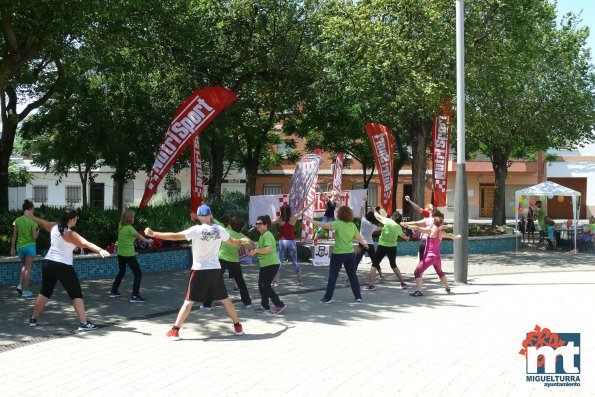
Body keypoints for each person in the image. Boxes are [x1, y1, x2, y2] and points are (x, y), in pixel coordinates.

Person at [144, 204, 246, 340]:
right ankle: (238, 327)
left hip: (199, 269)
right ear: (210, 215)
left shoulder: (196, 230)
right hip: (215, 269)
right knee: (225, 299)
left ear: (199, 217)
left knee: (189, 301)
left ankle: (175, 331)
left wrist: (153, 234)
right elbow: (233, 242)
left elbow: (175, 236)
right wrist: (242, 240)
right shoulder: (219, 229)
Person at [26, 209, 111, 330]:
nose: (77, 220)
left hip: (48, 263)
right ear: (71, 220)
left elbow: (42, 222)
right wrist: (100, 250)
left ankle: (33, 319)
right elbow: (85, 243)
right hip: (63, 266)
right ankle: (84, 323)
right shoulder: (71, 234)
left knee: (44, 292)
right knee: (76, 294)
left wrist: (31, 216)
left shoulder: (54, 226)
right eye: (76, 219)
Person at [304, 206, 368, 303]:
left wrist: (310, 220)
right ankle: (358, 297)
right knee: (353, 276)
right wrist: (365, 244)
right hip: (350, 254)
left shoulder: (338, 224)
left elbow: (323, 225)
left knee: (333, 276)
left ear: (340, 214)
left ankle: (328, 298)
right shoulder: (352, 225)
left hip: (338, 254)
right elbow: (359, 238)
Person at [203, 216, 255, 310]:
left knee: (214, 282)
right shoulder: (241, 237)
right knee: (241, 283)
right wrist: (255, 244)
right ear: (241, 227)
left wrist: (205, 208)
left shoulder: (225, 230)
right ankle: (247, 303)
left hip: (221, 260)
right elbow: (251, 247)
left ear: (230, 224)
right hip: (234, 262)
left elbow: (213, 219)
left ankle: (207, 305)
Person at [403, 215, 461, 297]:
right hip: (437, 257)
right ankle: (447, 287)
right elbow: (450, 235)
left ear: (433, 222)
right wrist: (457, 236)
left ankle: (419, 291)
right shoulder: (441, 232)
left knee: (417, 272)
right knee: (440, 272)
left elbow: (417, 228)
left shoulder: (430, 230)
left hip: (429, 257)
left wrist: (407, 226)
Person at [109, 209, 153, 302]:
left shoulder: (120, 225)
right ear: (129, 219)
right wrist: (147, 240)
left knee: (121, 271)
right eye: (133, 216)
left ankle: (114, 291)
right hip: (128, 255)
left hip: (120, 253)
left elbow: (123, 217)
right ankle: (135, 296)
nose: (134, 218)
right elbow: (138, 236)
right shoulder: (130, 228)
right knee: (138, 274)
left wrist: (125, 208)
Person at [362, 210, 410, 291]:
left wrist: (374, 211)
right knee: (393, 265)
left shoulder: (388, 221)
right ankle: (403, 283)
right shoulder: (398, 227)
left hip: (382, 245)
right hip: (392, 247)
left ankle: (371, 285)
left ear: (392, 217)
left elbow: (377, 216)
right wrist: (408, 237)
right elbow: (404, 236)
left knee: (374, 265)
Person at [249, 215, 287, 314]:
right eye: (256, 223)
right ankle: (265, 306)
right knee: (261, 286)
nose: (257, 225)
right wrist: (247, 242)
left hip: (271, 264)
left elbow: (268, 249)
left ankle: (279, 305)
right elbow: (257, 245)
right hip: (265, 265)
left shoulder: (267, 235)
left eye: (259, 223)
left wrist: (256, 250)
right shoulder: (262, 236)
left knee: (266, 286)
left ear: (266, 225)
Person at [272, 201, 313, 286]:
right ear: (290, 211)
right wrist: (311, 202)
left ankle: (276, 281)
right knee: (295, 261)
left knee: (279, 261)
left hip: (282, 241)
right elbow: (303, 210)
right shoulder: (293, 218)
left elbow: (268, 222)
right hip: (291, 241)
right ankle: (300, 280)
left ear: (282, 211)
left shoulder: (279, 220)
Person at [10, 200, 39, 298]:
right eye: (33, 209)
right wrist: (38, 231)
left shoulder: (17, 220)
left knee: (24, 266)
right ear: (29, 209)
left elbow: (14, 236)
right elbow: (34, 237)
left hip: (20, 247)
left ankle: (20, 285)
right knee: (28, 268)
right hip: (30, 247)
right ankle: (25, 290)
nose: (33, 211)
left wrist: (12, 248)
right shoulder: (33, 221)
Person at [354, 200, 383, 280]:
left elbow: (362, 212)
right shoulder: (374, 226)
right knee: (375, 260)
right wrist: (375, 211)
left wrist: (363, 203)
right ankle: (381, 274)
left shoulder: (364, 221)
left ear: (368, 217)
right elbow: (381, 224)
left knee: (356, 260)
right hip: (370, 244)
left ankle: (350, 276)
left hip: (362, 244)